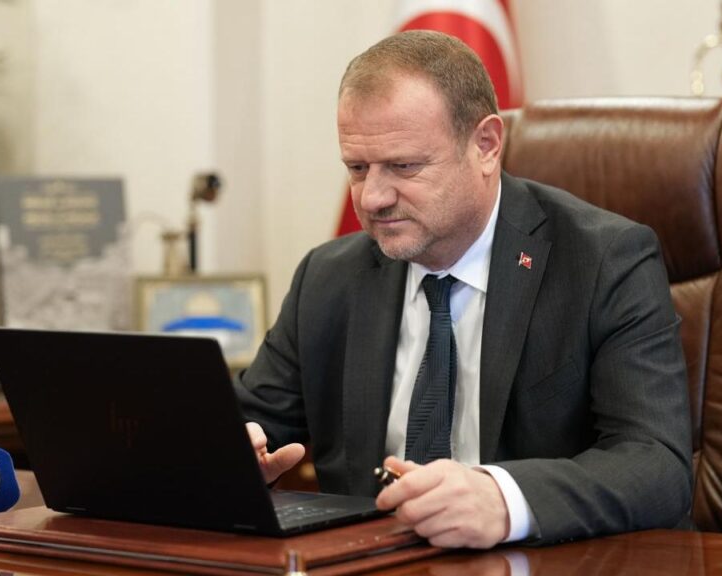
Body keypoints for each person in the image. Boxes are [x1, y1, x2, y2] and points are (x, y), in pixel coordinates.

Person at [234, 30, 692, 548]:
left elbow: (657, 464)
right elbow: (254, 421)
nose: (374, 197)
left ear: (486, 145)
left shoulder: (603, 261)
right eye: (357, 169)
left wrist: (503, 498)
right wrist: (234, 452)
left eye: (404, 166)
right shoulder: (329, 277)